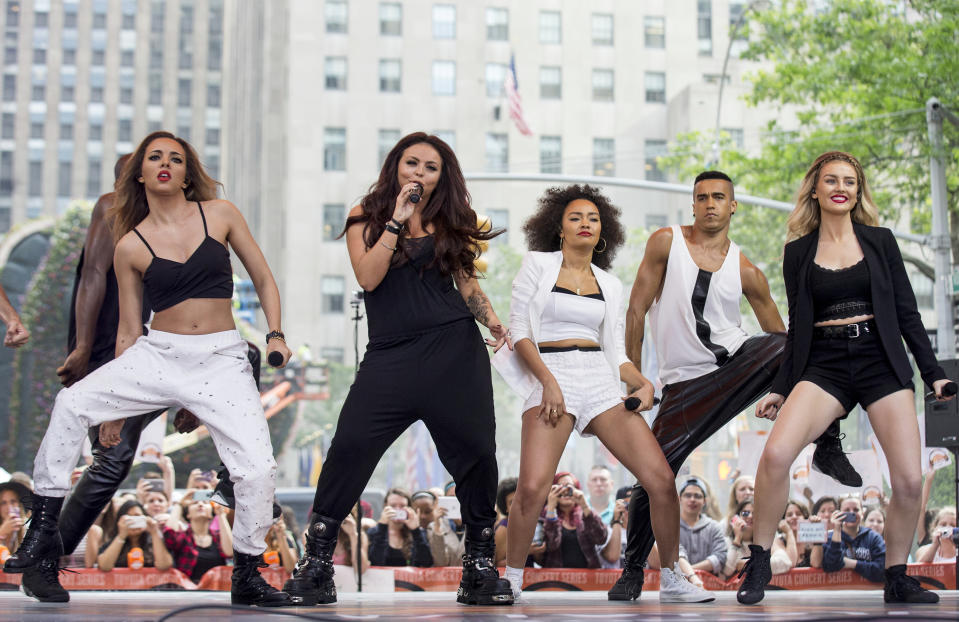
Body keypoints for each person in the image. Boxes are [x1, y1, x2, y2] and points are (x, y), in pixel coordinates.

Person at [4, 130, 296, 607]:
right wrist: (115, 408)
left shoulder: (219, 214)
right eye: (154, 157)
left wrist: (276, 333)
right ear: (139, 173)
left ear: (186, 173)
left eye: (176, 158)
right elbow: (127, 330)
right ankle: (43, 530)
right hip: (158, 353)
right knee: (71, 403)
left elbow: (263, 276)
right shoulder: (130, 245)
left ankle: (247, 571)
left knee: (259, 471)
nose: (165, 163)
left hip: (221, 358)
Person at [283, 132, 512, 607]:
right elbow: (368, 277)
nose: (420, 174)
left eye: (431, 168)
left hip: (455, 351)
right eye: (413, 164)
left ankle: (479, 567)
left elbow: (467, 284)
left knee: (476, 452)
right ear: (396, 167)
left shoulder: (452, 221)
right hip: (391, 356)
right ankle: (318, 562)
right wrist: (396, 222)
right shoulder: (366, 217)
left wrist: (492, 320)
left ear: (441, 178)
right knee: (349, 446)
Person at [609, 170, 856, 602]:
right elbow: (635, 310)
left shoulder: (746, 270)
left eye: (718, 197)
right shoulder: (666, 242)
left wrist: (787, 388)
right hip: (684, 386)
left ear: (732, 205)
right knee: (653, 476)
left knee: (791, 345)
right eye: (701, 196)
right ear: (692, 205)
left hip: (737, 364)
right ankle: (632, 570)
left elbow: (788, 339)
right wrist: (634, 377)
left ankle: (829, 441)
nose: (709, 203)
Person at [737, 151, 953, 606]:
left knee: (911, 482)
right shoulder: (798, 253)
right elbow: (798, 328)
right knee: (775, 454)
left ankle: (897, 576)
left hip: (879, 359)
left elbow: (908, 313)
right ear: (815, 189)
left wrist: (933, 374)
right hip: (826, 364)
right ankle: (757, 562)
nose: (841, 187)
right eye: (831, 180)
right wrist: (780, 388)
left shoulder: (880, 241)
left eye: (850, 182)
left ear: (858, 192)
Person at [496, 184, 711, 602]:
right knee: (533, 487)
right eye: (575, 217)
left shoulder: (609, 284)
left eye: (593, 218)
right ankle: (513, 579)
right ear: (558, 227)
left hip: (597, 377)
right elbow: (520, 331)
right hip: (551, 373)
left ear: (603, 230)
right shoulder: (538, 265)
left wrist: (642, 381)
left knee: (661, 479)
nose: (585, 224)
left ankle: (671, 577)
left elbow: (615, 353)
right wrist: (548, 383)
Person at [539, 473, 608, 569]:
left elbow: (601, 538)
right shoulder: (546, 515)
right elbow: (552, 545)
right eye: (559, 488)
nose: (564, 492)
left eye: (569, 487)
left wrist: (584, 505)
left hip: (588, 579)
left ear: (577, 489)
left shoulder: (585, 514)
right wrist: (551, 508)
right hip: (555, 579)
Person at [810, 495, 886, 582]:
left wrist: (852, 563)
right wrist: (837, 529)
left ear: (862, 513)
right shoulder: (830, 537)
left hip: (868, 594)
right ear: (839, 513)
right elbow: (831, 565)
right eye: (847, 510)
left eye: (856, 510)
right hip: (840, 593)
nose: (852, 513)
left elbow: (881, 569)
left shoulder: (874, 538)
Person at [163, 497, 232, 583]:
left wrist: (221, 515)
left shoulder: (218, 537)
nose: (200, 504)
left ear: (211, 514)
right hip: (189, 593)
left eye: (205, 502)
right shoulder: (184, 537)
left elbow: (230, 552)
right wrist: (179, 505)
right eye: (195, 503)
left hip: (216, 592)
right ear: (188, 514)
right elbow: (169, 535)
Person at [721, 498, 793, 580]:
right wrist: (737, 539)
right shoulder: (726, 541)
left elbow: (785, 562)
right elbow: (727, 571)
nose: (750, 516)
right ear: (736, 517)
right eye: (745, 513)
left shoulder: (767, 541)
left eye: (755, 513)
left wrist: (751, 564)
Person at [96, 499, 172, 572]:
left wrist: (154, 533)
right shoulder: (113, 543)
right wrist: (121, 536)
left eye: (137, 516)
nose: (133, 522)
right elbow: (104, 566)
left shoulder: (155, 542)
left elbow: (164, 566)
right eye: (129, 518)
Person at [366, 488, 433, 567]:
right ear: (385, 506)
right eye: (393, 506)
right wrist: (382, 526)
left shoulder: (417, 533)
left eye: (402, 506)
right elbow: (375, 562)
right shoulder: (374, 532)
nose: (397, 509)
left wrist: (415, 530)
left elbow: (426, 562)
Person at [0, 480, 30, 560]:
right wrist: (2, 533)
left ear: (19, 505)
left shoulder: (27, 529)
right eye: (3, 503)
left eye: (13, 501)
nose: (9, 507)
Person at [783, 499, 812, 567]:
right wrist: (789, 532)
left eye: (798, 514)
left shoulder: (812, 541)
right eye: (789, 515)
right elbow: (790, 563)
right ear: (783, 519)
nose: (794, 517)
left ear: (805, 517)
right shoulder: (778, 542)